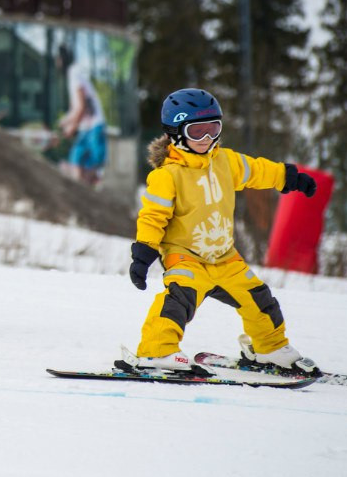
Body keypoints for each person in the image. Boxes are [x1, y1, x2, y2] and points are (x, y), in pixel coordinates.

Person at [124, 87, 319, 374]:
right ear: (176, 132)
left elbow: (258, 171)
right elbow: (153, 217)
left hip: (225, 257)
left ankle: (269, 349)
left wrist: (289, 178)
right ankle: (156, 352)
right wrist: (144, 253)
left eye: (213, 129)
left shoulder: (225, 162)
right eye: (197, 131)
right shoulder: (167, 175)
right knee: (178, 300)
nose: (206, 139)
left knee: (259, 299)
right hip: (185, 256)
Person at [55, 44, 107, 186]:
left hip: (94, 127)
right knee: (76, 164)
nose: (56, 62)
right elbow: (76, 108)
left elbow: (80, 107)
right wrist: (66, 123)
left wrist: (69, 125)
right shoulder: (74, 74)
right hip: (87, 127)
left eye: (58, 59)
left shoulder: (73, 73)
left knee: (90, 170)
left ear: (62, 59)